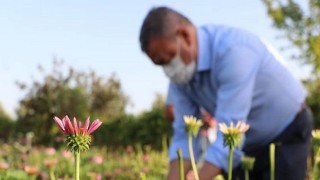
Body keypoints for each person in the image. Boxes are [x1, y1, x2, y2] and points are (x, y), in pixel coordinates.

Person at [139, 6, 313, 180]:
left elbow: (229, 131)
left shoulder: (233, 51)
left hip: (286, 133)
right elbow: (185, 136)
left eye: (169, 58)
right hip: (244, 146)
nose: (169, 69)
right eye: (161, 64)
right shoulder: (182, 77)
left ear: (185, 35)